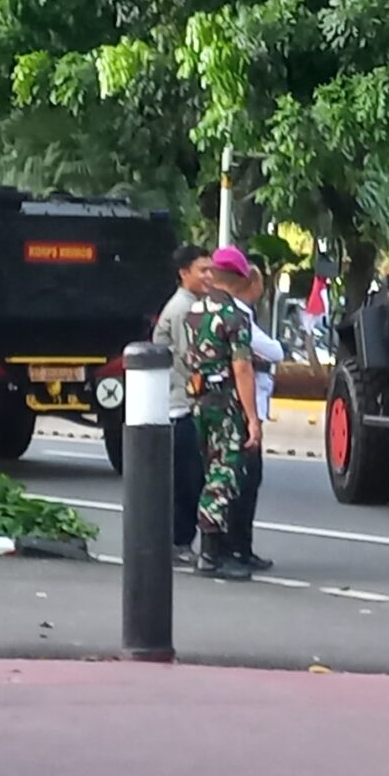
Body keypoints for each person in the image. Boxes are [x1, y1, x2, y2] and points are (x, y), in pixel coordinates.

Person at [180, 246, 260, 581]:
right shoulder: (235, 317)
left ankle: (212, 549)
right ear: (241, 279)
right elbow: (242, 368)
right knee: (224, 474)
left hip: (198, 401)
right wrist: (252, 418)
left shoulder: (194, 312)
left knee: (210, 468)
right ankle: (211, 556)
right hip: (226, 402)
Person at [150, 243, 213, 567]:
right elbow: (196, 359)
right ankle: (178, 541)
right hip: (180, 407)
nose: (209, 276)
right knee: (187, 481)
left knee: (192, 478)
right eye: (202, 270)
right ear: (184, 272)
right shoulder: (183, 309)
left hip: (186, 404)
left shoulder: (194, 305)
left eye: (210, 269)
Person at [222, 254, 284, 571]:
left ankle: (230, 548)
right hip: (241, 410)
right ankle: (236, 548)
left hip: (228, 407)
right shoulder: (238, 317)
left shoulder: (220, 313)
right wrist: (252, 421)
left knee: (232, 481)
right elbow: (267, 354)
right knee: (244, 482)